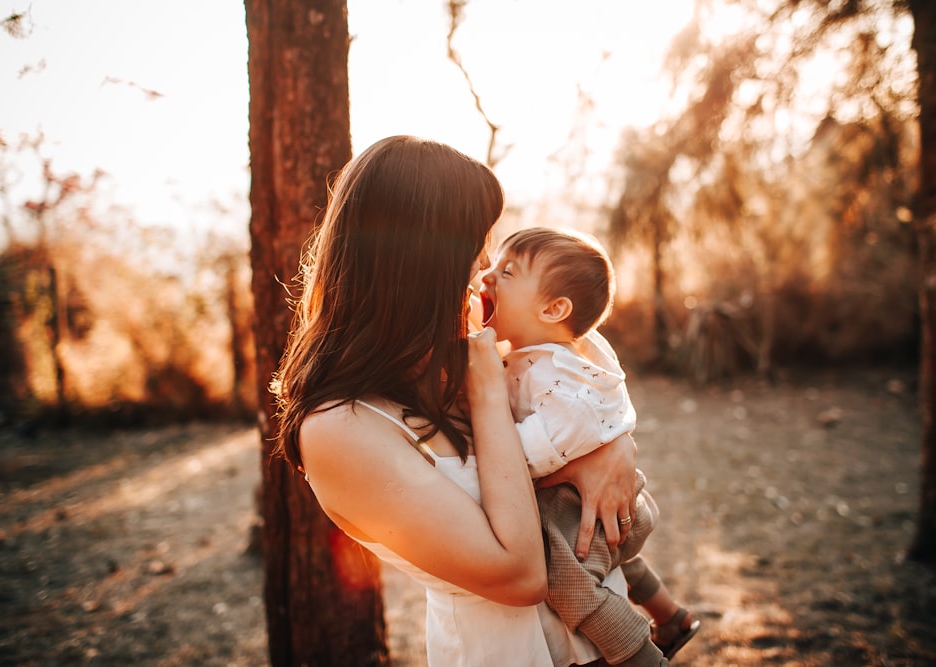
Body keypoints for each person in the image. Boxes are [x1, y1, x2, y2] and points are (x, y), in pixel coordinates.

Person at [271, 136, 644, 667]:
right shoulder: (340, 429)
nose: (488, 265)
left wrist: (615, 447)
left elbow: (578, 381)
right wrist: (487, 388)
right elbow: (520, 574)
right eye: (478, 244)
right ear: (421, 262)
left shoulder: (442, 362)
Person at [478, 227, 700, 664]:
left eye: (506, 271)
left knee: (567, 579)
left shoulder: (559, 384)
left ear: (554, 308)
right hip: (603, 506)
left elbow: (523, 459)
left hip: (583, 503)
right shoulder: (559, 352)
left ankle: (642, 657)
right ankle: (669, 615)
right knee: (604, 556)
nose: (486, 276)